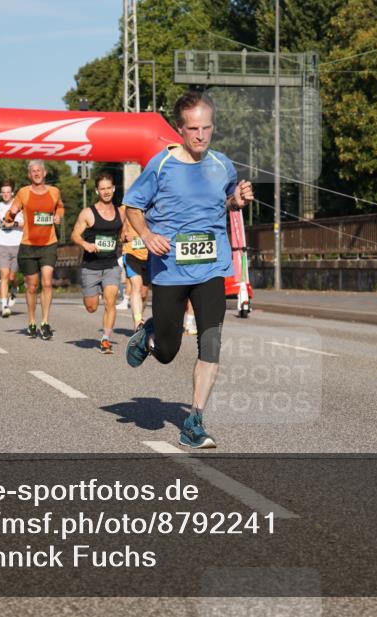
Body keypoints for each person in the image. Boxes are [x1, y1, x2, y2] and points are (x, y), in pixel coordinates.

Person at [124, 91, 254, 449]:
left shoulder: (222, 165)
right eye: (193, 129)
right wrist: (147, 235)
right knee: (167, 351)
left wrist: (236, 201)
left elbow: (225, 201)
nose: (200, 135)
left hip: (211, 268)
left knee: (211, 343)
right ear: (180, 129)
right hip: (170, 270)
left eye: (206, 128)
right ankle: (150, 334)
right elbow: (132, 205)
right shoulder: (161, 165)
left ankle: (194, 420)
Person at [4, 160, 65, 339]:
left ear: (44, 173)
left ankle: (45, 322)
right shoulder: (23, 192)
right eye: (33, 171)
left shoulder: (54, 192)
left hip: (49, 244)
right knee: (32, 286)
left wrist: (58, 216)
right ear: (29, 175)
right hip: (29, 245)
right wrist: (12, 213)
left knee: (47, 282)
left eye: (39, 170)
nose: (36, 173)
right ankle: (31, 321)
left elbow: (60, 207)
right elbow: (11, 214)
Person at [71, 173, 123, 354]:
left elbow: (122, 235)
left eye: (109, 188)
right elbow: (74, 235)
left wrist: (126, 238)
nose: (106, 192)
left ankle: (106, 339)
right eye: (103, 189)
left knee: (110, 302)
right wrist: (85, 244)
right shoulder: (88, 213)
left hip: (111, 265)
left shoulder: (121, 213)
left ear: (114, 188)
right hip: (91, 266)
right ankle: (94, 291)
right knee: (91, 307)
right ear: (97, 191)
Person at [0, 181, 23, 318]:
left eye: (8, 192)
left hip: (18, 244)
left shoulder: (19, 205)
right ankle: (4, 305)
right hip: (2, 244)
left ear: (12, 193)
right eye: (3, 192)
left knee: (12, 276)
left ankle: (14, 288)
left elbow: (26, 223)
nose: (5, 194)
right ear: (1, 193)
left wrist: (13, 224)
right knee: (4, 275)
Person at [119, 203, 150, 330]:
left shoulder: (153, 207)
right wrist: (124, 236)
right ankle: (138, 322)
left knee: (144, 293)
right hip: (131, 253)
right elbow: (120, 234)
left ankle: (139, 320)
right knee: (136, 285)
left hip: (149, 254)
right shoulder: (124, 208)